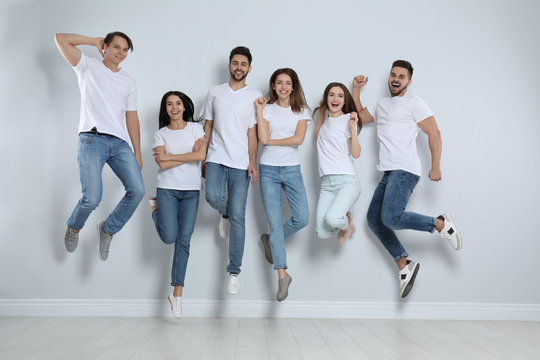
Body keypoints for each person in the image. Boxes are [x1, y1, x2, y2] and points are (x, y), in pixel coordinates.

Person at [354, 60, 462, 299]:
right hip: (389, 171)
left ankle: (442, 224)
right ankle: (404, 265)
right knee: (374, 220)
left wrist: (435, 165)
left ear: (408, 81)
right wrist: (357, 90)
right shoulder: (381, 105)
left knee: (391, 218)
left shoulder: (414, 101)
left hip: (405, 169)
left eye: (401, 76)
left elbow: (434, 131)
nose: (395, 79)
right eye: (393, 75)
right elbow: (360, 117)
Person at [55, 32, 145, 261]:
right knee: (92, 198)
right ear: (105, 46)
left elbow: (132, 118)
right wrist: (92, 41)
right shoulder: (87, 66)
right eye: (116, 47)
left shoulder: (129, 81)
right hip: (92, 139)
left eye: (125, 50)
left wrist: (137, 151)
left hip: (119, 143)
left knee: (138, 191)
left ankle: (107, 229)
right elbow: (60, 39)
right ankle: (74, 227)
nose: (121, 53)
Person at [199, 46, 262, 295]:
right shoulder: (214, 93)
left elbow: (252, 134)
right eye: (235, 63)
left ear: (249, 67)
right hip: (215, 156)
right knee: (213, 196)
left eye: (243, 64)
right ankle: (223, 213)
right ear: (229, 65)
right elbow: (208, 126)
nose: (239, 67)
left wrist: (253, 161)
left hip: (240, 163)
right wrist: (202, 157)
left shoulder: (255, 96)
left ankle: (234, 272)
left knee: (239, 217)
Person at [255, 68, 311, 302]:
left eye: (288, 83)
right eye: (279, 83)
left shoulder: (302, 111)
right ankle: (282, 274)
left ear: (294, 86)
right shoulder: (265, 108)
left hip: (291, 170)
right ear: (274, 86)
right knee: (276, 224)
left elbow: (298, 139)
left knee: (303, 217)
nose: (284, 87)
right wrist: (259, 112)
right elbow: (261, 138)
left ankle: (271, 240)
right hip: (267, 170)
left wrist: (272, 141)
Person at [149, 91, 206, 319]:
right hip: (167, 190)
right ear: (165, 109)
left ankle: (177, 295)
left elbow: (200, 155)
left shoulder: (195, 129)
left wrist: (170, 157)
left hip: (191, 191)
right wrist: (188, 154)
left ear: (184, 107)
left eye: (178, 103)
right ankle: (155, 211)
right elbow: (161, 166)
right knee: (168, 237)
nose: (174, 107)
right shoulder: (159, 134)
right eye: (169, 104)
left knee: (184, 242)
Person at [314, 82, 362, 244]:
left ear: (345, 100)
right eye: (331, 95)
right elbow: (316, 137)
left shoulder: (347, 119)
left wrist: (353, 128)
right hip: (326, 184)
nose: (335, 99)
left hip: (347, 181)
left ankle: (346, 222)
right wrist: (322, 111)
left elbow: (356, 153)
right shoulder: (324, 121)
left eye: (340, 96)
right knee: (322, 232)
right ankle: (346, 223)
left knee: (334, 218)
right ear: (326, 98)